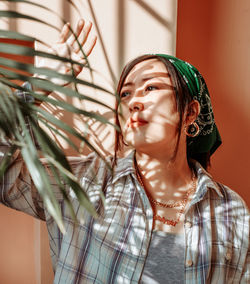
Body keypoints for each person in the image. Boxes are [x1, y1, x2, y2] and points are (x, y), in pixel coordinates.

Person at [0, 20, 249, 284]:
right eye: (125, 94)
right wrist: (40, 86)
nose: (134, 102)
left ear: (190, 112)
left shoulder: (229, 211)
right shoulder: (83, 183)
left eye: (151, 87)